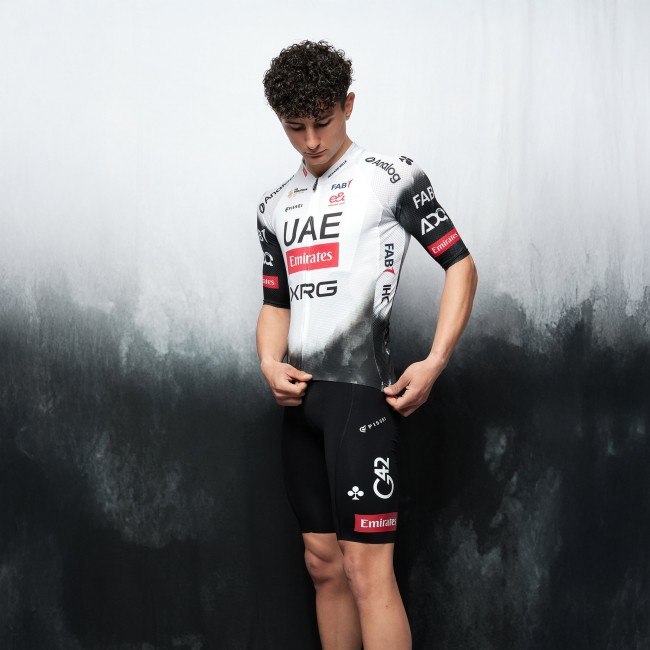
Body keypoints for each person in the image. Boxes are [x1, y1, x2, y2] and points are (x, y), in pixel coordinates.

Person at [256, 40, 477, 650]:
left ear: (348, 105)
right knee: (322, 566)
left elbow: (461, 265)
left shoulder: (389, 176)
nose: (311, 141)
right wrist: (268, 363)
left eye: (322, 121)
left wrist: (435, 360)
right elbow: (275, 303)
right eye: (294, 127)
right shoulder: (273, 206)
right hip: (300, 407)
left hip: (360, 400)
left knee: (365, 571)